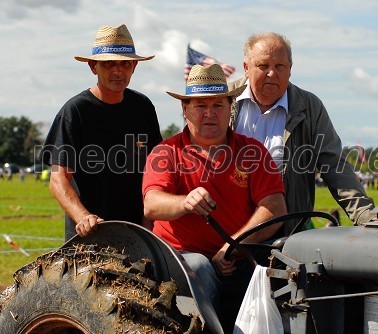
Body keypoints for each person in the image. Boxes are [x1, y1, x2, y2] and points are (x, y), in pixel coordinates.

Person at [142, 64, 287, 332]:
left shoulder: (252, 151)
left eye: (218, 105)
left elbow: (275, 208)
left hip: (239, 256)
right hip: (180, 258)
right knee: (200, 267)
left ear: (230, 107)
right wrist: (184, 202)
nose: (210, 113)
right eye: (200, 105)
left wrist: (233, 246)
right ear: (185, 110)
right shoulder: (166, 152)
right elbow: (152, 205)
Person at [229, 32, 375, 232]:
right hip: (226, 231)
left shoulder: (310, 107)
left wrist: (366, 216)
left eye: (279, 66)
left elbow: (334, 165)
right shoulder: (222, 100)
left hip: (286, 234)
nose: (272, 73)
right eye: (263, 66)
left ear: (290, 69)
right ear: (246, 68)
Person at [40, 24, 162, 241]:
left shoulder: (143, 107)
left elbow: (155, 171)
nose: (118, 71)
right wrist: (83, 217)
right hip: (88, 236)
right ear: (93, 66)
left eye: (125, 63)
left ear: (134, 66)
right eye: (108, 64)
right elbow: (58, 180)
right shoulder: (75, 111)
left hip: (136, 234)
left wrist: (148, 223)